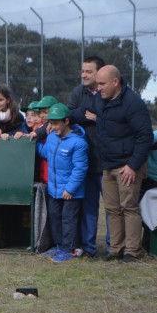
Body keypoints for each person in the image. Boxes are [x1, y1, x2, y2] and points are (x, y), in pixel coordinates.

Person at [95, 65, 152, 263]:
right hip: (108, 165)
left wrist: (133, 165)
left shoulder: (133, 103)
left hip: (126, 166)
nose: (98, 88)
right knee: (112, 209)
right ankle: (115, 250)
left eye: (102, 84)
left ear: (115, 82)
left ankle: (132, 252)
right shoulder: (101, 100)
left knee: (129, 208)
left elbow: (145, 136)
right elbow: (81, 113)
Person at [36, 103, 89, 262]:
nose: (53, 126)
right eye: (51, 123)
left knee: (68, 219)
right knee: (54, 217)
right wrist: (32, 141)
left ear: (66, 121)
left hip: (70, 192)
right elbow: (45, 152)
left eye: (56, 123)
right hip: (54, 190)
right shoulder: (51, 137)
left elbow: (80, 169)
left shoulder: (79, 143)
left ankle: (70, 249)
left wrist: (70, 189)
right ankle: (59, 246)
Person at [67, 55, 106, 259]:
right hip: (85, 162)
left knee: (112, 209)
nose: (84, 74)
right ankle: (89, 248)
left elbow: (113, 118)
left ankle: (112, 248)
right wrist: (88, 112)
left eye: (89, 71)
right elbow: (70, 116)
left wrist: (99, 118)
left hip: (106, 161)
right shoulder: (77, 92)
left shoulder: (108, 93)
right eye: (82, 71)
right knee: (89, 208)